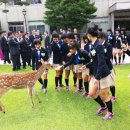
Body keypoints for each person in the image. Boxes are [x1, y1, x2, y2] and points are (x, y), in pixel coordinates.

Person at [80, 26, 114, 120]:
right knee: (91, 93)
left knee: (104, 95)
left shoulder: (99, 46)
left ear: (89, 35)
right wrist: (86, 65)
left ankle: (110, 112)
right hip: (96, 73)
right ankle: (103, 106)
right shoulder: (93, 45)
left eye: (87, 34)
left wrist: (97, 78)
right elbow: (94, 61)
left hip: (102, 74)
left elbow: (102, 63)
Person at [98, 32, 116, 102]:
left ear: (103, 38)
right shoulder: (97, 45)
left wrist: (100, 59)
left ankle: (113, 96)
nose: (98, 39)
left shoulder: (108, 45)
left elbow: (108, 57)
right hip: (101, 67)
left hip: (108, 67)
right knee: (103, 82)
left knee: (111, 83)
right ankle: (105, 95)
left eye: (99, 38)